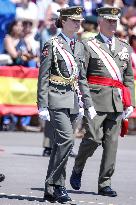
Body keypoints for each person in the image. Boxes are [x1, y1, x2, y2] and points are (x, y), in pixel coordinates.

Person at [70, 6, 135, 197]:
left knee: (111, 143)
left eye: (115, 21)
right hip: (96, 100)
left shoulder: (124, 47)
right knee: (92, 138)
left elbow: (128, 78)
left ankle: (105, 183)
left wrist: (130, 101)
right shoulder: (89, 45)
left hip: (116, 101)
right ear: (100, 22)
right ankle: (78, 167)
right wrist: (84, 101)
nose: (112, 24)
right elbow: (82, 76)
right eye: (109, 21)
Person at [37, 6, 88, 204]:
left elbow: (81, 77)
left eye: (80, 21)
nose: (78, 24)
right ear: (63, 21)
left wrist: (85, 101)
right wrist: (42, 104)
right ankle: (58, 185)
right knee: (66, 140)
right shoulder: (52, 44)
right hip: (56, 97)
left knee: (62, 144)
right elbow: (43, 76)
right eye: (74, 20)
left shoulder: (79, 45)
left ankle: (50, 188)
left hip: (74, 99)